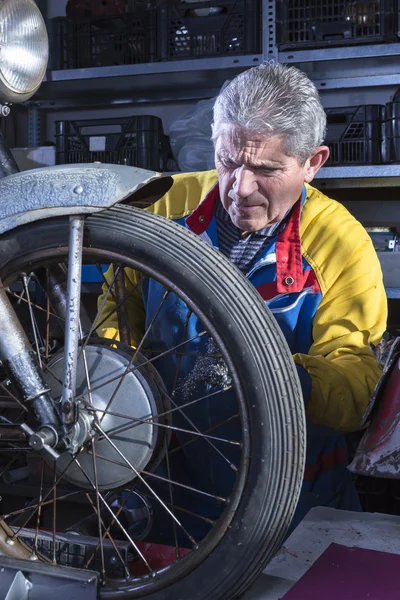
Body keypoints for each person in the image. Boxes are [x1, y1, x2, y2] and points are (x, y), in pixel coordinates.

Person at [98, 62, 387, 538]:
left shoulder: (340, 243)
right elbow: (116, 316)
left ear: (313, 163)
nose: (240, 188)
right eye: (228, 162)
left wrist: (276, 373)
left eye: (267, 170)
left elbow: (355, 390)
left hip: (291, 503)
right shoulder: (166, 207)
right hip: (165, 492)